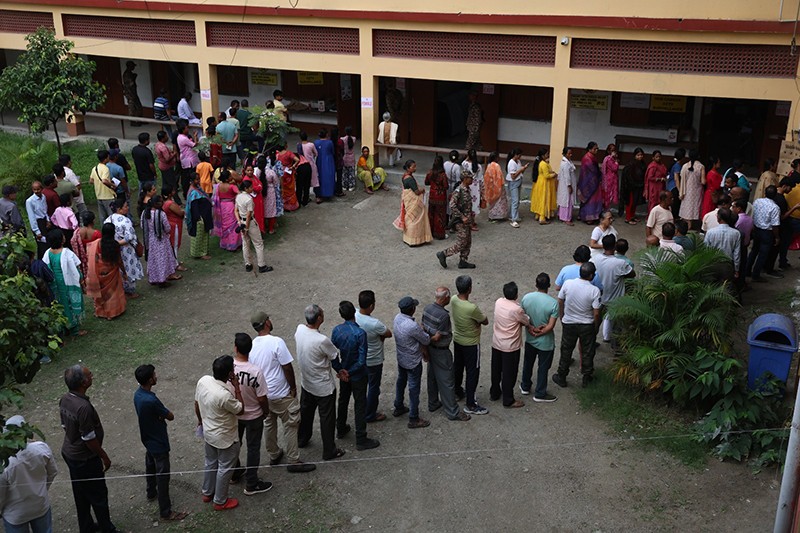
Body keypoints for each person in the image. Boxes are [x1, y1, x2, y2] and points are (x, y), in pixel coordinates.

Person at [249, 312, 316, 473]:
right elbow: (287, 367)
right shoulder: (276, 342)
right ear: (266, 323)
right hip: (280, 392)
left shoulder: (252, 344)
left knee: (269, 423)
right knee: (291, 424)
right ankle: (293, 459)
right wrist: (292, 387)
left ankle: (274, 453)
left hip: (264, 393)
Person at [59, 364, 118, 532]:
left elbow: (64, 425)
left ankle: (87, 527)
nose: (92, 376)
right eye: (89, 375)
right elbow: (89, 439)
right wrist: (104, 456)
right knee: (98, 495)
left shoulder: (65, 399)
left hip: (70, 454)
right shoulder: (83, 407)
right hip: (85, 459)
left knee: (80, 493)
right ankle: (107, 529)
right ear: (83, 383)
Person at [133, 365, 187, 522]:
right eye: (154, 375)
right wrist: (162, 416)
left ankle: (151, 492)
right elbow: (170, 415)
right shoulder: (151, 400)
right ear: (150, 379)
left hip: (148, 438)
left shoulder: (138, 395)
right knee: (163, 476)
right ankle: (166, 511)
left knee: (150, 465)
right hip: (158, 441)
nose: (156, 376)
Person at [295, 304, 347, 460]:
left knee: (306, 412)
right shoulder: (322, 340)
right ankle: (329, 450)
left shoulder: (300, 330)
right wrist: (341, 371)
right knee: (327, 419)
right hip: (323, 386)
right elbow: (334, 358)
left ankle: (302, 438)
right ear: (319, 318)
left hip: (307, 382)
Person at [195, 355, 244, 511]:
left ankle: (207, 492)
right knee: (225, 468)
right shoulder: (224, 395)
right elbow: (240, 409)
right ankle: (220, 501)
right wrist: (236, 386)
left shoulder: (203, 381)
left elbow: (196, 403)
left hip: (209, 432)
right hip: (225, 437)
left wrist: (200, 421)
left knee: (210, 463)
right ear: (230, 373)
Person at [228, 333, 274, 495]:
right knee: (253, 448)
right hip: (253, 415)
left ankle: (234, 473)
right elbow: (262, 398)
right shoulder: (255, 372)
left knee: (234, 445)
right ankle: (251, 483)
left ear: (235, 348)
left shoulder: (229, 367)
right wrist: (266, 412)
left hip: (235, 413)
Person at [332, 301, 382, 450]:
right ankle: (361, 438)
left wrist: (340, 370)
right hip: (357, 375)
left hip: (344, 373)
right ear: (354, 313)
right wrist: (349, 372)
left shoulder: (337, 330)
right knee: (360, 405)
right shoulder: (360, 333)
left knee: (343, 400)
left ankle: (340, 428)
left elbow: (332, 353)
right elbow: (361, 360)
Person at [421, 287, 471, 422]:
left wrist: (425, 346)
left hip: (430, 349)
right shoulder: (443, 316)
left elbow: (423, 328)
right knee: (447, 381)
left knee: (432, 376)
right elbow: (437, 337)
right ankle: (453, 412)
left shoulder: (427, 309)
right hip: (441, 351)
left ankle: (433, 403)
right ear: (445, 298)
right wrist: (433, 336)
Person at [0, 415, 56, 533]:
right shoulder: (41, 448)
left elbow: (1, 495)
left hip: (15, 514)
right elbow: (52, 472)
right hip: (40, 505)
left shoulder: (5, 464)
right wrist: (42, 490)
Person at [552, 263, 601, 388]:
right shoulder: (594, 290)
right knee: (587, 351)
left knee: (566, 349)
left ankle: (561, 375)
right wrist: (595, 327)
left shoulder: (568, 284)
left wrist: (562, 316)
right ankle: (587, 376)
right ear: (591, 275)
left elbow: (560, 300)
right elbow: (596, 313)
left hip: (569, 322)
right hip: (586, 324)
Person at [393, 296, 436, 428]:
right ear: (412, 309)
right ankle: (413, 418)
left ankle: (398, 406)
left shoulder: (397, 318)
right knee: (413, 388)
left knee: (401, 381)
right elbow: (426, 340)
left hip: (401, 358)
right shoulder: (412, 326)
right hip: (413, 361)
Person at [450, 275, 489, 415]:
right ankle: (471, 404)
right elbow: (485, 320)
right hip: (471, 343)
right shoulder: (472, 308)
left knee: (458, 367)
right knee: (473, 372)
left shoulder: (453, 300)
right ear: (469, 289)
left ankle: (457, 391)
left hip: (458, 339)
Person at [490, 281, 532, 408]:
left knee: (496, 370)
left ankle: (495, 393)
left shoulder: (498, 302)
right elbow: (526, 320)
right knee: (509, 373)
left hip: (497, 342)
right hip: (510, 346)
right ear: (516, 294)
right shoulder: (516, 309)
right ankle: (508, 399)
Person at [519, 273, 560, 402]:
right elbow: (550, 326)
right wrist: (540, 333)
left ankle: (525, 386)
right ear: (548, 285)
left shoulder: (526, 298)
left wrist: (531, 328)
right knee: (543, 367)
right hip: (545, 343)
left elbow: (523, 318)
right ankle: (540, 393)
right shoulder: (553, 304)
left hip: (530, 339)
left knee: (528, 363)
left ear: (536, 284)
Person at [355, 290, 393, 423]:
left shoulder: (355, 314)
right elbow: (388, 333)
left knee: (362, 386)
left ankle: (361, 410)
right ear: (371, 306)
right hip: (373, 360)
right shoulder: (375, 323)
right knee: (373, 387)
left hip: (360, 358)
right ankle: (370, 414)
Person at [591, 234, 635, 343]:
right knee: (617, 326)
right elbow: (632, 274)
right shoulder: (620, 263)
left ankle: (591, 343)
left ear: (603, 246)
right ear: (615, 246)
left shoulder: (595, 259)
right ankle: (616, 351)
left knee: (595, 323)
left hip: (599, 298)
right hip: (615, 300)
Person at [42, 229, 85, 337]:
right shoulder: (67, 253)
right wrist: (80, 278)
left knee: (61, 304)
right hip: (67, 282)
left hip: (55, 283)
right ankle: (74, 330)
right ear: (61, 240)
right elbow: (75, 268)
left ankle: (63, 327)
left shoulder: (48, 253)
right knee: (70, 303)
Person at [85, 222, 126, 320]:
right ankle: (112, 313)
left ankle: (101, 311)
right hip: (112, 272)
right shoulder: (115, 245)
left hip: (99, 272)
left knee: (101, 294)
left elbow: (93, 257)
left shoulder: (97, 243)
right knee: (112, 293)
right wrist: (124, 271)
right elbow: (119, 260)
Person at [437, 170, 475, 268]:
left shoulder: (467, 189)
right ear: (465, 179)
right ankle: (444, 254)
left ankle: (463, 261)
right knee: (461, 243)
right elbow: (452, 205)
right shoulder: (459, 190)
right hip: (461, 221)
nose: (472, 179)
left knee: (468, 242)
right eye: (470, 178)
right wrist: (462, 217)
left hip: (467, 221)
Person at [105, 200, 143, 298]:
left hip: (113, 250)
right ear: (119, 209)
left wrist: (113, 244)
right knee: (128, 268)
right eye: (125, 206)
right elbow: (129, 237)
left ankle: (122, 289)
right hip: (126, 249)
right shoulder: (125, 220)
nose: (127, 208)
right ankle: (131, 291)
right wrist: (118, 243)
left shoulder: (108, 220)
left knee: (119, 269)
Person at [141, 196, 181, 286]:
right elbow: (167, 227)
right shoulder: (160, 214)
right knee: (163, 259)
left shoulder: (145, 213)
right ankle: (163, 278)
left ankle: (153, 278)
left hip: (151, 239)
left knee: (154, 259)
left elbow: (142, 226)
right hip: (161, 239)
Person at [236, 180, 273, 274]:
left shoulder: (238, 197)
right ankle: (261, 265)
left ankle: (248, 264)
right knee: (258, 244)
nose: (252, 189)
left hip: (242, 222)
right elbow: (249, 215)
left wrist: (240, 222)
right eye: (250, 187)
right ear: (246, 188)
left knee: (245, 243)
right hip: (250, 223)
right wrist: (247, 228)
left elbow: (235, 210)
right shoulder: (248, 199)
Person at [394, 160, 433, 246]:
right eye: (413, 167)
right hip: (413, 201)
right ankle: (415, 240)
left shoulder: (405, 176)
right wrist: (422, 190)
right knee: (415, 219)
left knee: (409, 218)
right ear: (408, 168)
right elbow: (416, 192)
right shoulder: (410, 179)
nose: (415, 168)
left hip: (407, 200)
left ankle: (408, 238)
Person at [704, 207, 742, 282]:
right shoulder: (736, 233)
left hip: (713, 263)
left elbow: (706, 250)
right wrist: (736, 269)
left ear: (718, 218)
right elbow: (737, 254)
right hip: (727, 264)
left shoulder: (710, 232)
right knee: (725, 287)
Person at [212, 170, 242, 251]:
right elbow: (240, 194)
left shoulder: (218, 186)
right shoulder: (232, 186)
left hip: (221, 207)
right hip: (230, 206)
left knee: (225, 224)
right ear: (227, 178)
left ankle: (225, 243)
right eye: (230, 176)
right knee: (233, 224)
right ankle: (233, 244)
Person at [162, 186, 186, 270]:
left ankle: (174, 261)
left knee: (174, 244)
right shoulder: (170, 204)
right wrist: (183, 212)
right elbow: (179, 213)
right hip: (173, 225)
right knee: (174, 244)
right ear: (169, 194)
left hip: (173, 224)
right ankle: (175, 264)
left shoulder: (166, 202)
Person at [578, 142, 603, 224]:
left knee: (593, 199)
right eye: (594, 149)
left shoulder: (592, 157)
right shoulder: (587, 158)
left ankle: (593, 216)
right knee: (589, 200)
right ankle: (588, 217)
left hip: (593, 182)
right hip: (589, 182)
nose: (596, 150)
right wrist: (599, 175)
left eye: (597, 148)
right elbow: (593, 171)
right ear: (590, 149)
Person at [679, 150, 705, 228]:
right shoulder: (701, 166)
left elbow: (681, 177)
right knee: (695, 206)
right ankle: (692, 225)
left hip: (686, 190)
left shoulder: (685, 166)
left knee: (687, 205)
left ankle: (687, 226)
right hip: (696, 190)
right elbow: (703, 181)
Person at [425, 155, 449, 239]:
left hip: (432, 195)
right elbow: (446, 186)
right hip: (441, 196)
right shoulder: (443, 175)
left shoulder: (430, 172)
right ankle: (439, 233)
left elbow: (426, 182)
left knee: (431, 214)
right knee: (440, 215)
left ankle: (430, 231)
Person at [530, 148, 557, 224]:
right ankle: (542, 218)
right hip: (544, 183)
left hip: (540, 182)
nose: (548, 155)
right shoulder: (543, 164)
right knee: (544, 199)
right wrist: (554, 174)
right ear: (543, 155)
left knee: (540, 198)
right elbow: (547, 175)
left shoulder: (542, 163)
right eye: (547, 154)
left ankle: (538, 215)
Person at [620, 147, 646, 224]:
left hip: (638, 186)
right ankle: (628, 218)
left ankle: (632, 216)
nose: (640, 157)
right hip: (631, 187)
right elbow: (628, 177)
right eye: (638, 155)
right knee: (630, 203)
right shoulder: (631, 165)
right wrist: (633, 184)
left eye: (641, 155)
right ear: (635, 155)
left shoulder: (642, 164)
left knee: (635, 203)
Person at [90, 150, 117, 221]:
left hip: (99, 195)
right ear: (105, 159)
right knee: (112, 216)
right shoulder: (105, 168)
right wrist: (112, 185)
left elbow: (91, 181)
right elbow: (104, 180)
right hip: (108, 196)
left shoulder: (95, 168)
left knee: (103, 217)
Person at [177, 120, 200, 199]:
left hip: (186, 159)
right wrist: (195, 136)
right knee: (189, 177)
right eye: (186, 128)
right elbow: (194, 145)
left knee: (186, 177)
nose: (188, 129)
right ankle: (189, 193)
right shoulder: (184, 138)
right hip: (189, 160)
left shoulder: (180, 137)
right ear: (183, 130)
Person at [506, 148, 529, 227]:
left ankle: (512, 215)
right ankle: (513, 219)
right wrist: (521, 169)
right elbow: (513, 176)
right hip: (513, 182)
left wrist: (524, 168)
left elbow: (520, 171)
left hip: (519, 181)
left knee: (516, 200)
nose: (520, 157)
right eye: (519, 155)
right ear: (516, 155)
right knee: (515, 200)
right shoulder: (511, 163)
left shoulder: (518, 162)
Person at [462, 148, 484, 228]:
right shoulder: (478, 166)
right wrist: (482, 190)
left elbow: (463, 162)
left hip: (467, 185)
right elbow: (481, 178)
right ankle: (472, 221)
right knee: (474, 203)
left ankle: (467, 221)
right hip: (475, 186)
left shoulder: (465, 164)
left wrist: (468, 157)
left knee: (467, 203)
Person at [275, 144, 300, 211]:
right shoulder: (289, 153)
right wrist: (293, 166)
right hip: (288, 171)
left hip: (281, 172)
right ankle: (292, 205)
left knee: (283, 189)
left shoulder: (277, 154)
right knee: (291, 189)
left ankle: (284, 205)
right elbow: (297, 160)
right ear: (285, 146)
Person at [485, 151, 509, 222]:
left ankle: (492, 215)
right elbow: (499, 176)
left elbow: (486, 177)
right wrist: (500, 185)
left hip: (490, 186)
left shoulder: (489, 165)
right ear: (495, 158)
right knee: (500, 201)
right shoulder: (496, 166)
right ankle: (499, 216)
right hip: (498, 186)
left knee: (492, 202)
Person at [314, 129, 336, 202]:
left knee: (319, 176)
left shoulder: (316, 142)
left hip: (319, 160)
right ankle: (328, 193)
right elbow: (332, 151)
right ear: (326, 134)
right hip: (328, 160)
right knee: (328, 176)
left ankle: (319, 194)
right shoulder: (329, 142)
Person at [557, 147, 577, 226]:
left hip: (565, 185)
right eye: (569, 153)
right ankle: (566, 218)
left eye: (571, 153)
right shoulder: (565, 164)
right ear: (565, 154)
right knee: (567, 201)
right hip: (566, 185)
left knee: (565, 200)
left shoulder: (568, 162)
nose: (570, 155)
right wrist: (569, 186)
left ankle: (562, 215)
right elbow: (567, 176)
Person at [242, 164, 265, 233]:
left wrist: (259, 187)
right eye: (248, 170)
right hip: (253, 200)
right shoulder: (246, 179)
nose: (250, 172)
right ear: (245, 171)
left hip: (258, 199)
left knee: (260, 214)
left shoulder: (254, 177)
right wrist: (259, 187)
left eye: (251, 170)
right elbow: (255, 188)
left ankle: (261, 229)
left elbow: (260, 184)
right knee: (256, 215)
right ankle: (257, 231)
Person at [668, 148, 686, 220]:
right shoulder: (677, 166)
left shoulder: (674, 164)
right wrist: (679, 190)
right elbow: (676, 179)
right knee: (675, 205)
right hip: (674, 187)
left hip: (670, 186)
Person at [601, 144, 619, 212]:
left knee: (609, 196)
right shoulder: (609, 159)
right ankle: (606, 211)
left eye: (614, 150)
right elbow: (615, 168)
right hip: (609, 180)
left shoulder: (610, 159)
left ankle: (607, 211)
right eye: (612, 150)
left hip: (611, 179)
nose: (614, 152)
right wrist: (616, 162)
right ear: (608, 151)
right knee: (608, 196)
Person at [341, 127, 357, 191]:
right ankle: (351, 186)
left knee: (345, 172)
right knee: (351, 172)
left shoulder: (342, 139)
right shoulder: (354, 139)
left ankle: (344, 185)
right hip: (352, 157)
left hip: (345, 157)